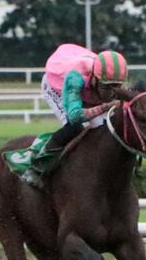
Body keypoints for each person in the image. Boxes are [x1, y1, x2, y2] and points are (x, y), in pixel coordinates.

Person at [22, 44, 129, 187]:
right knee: (76, 127)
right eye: (107, 87)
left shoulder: (109, 78)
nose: (111, 93)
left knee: (104, 129)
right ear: (95, 79)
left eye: (116, 86)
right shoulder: (75, 78)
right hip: (58, 88)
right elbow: (75, 116)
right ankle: (36, 166)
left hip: (88, 90)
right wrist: (106, 106)